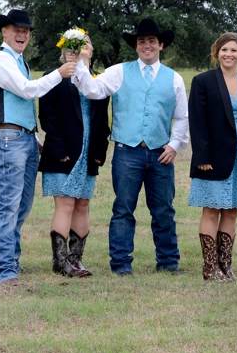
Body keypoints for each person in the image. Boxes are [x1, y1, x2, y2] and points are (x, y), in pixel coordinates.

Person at [73, 16, 188, 275]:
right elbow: (91, 90)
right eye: (141, 41)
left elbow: (182, 117)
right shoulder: (119, 71)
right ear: (136, 46)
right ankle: (121, 264)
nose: (146, 45)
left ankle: (169, 262)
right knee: (123, 209)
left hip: (161, 153)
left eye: (151, 41)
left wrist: (174, 145)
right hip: (127, 152)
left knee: (164, 210)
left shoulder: (174, 79)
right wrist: (83, 62)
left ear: (160, 45)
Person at [0, 8, 76, 285]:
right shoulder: (0, 59)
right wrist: (59, 74)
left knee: (22, 206)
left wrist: (33, 135)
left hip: (22, 137)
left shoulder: (18, 60)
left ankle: (10, 259)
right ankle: (3, 268)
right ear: (4, 32)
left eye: (26, 31)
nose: (22, 34)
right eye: (16, 29)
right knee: (9, 204)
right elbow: (27, 90)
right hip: (8, 139)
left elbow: (21, 102)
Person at [187, 33, 237, 282]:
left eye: (233, 50)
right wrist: (202, 155)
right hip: (213, 154)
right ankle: (210, 268)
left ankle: (226, 266)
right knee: (212, 209)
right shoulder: (203, 81)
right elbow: (197, 123)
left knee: (231, 211)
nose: (228, 54)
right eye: (223, 50)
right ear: (216, 52)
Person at [38, 34, 110, 278]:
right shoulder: (54, 76)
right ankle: (60, 262)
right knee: (66, 203)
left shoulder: (98, 79)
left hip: (89, 152)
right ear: (63, 49)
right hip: (63, 153)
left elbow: (103, 120)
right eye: (70, 47)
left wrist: (100, 152)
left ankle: (75, 260)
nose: (75, 51)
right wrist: (58, 151)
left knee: (83, 204)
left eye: (81, 46)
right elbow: (47, 117)